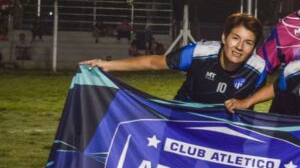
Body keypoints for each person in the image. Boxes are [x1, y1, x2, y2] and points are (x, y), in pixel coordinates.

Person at [80, 12, 267, 104]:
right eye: (235, 38)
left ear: (254, 48)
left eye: (248, 42)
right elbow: (154, 62)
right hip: (183, 119)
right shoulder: (199, 53)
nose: (239, 47)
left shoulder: (257, 69)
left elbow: (250, 106)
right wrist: (108, 65)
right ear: (224, 38)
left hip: (224, 130)